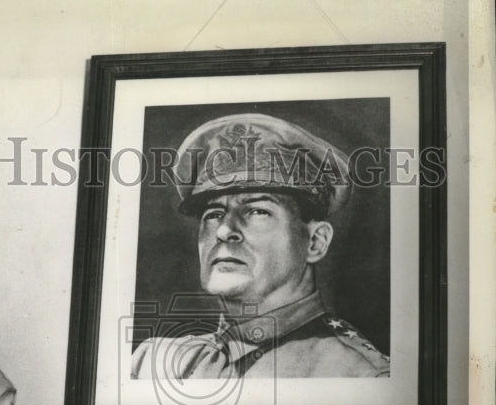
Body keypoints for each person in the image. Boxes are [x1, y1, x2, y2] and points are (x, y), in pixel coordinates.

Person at [131, 112, 390, 380]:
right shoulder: (153, 364)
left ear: (315, 242)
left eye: (256, 211)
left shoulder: (360, 375)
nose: (223, 230)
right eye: (214, 214)